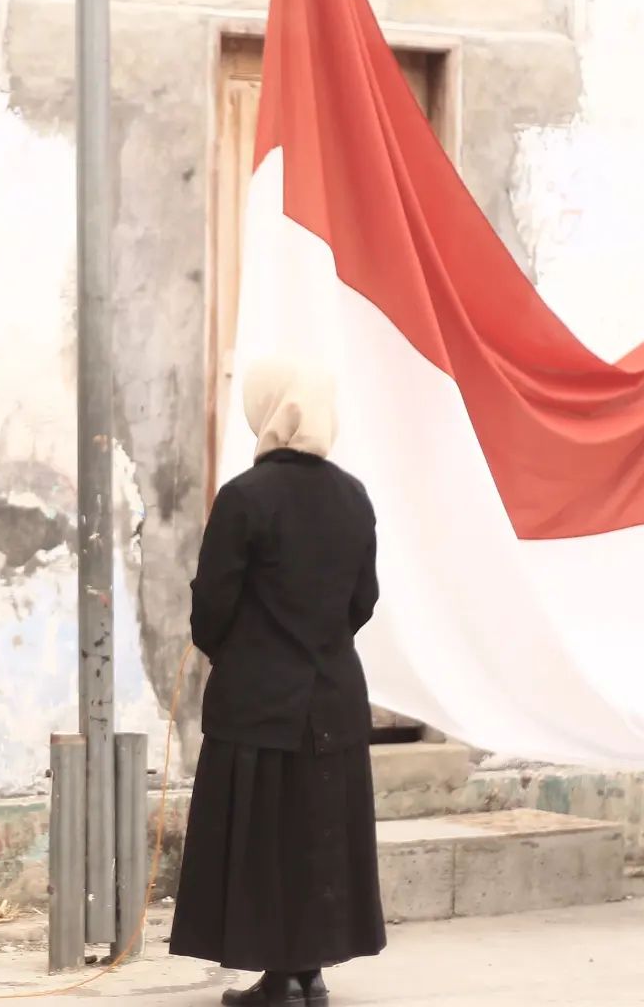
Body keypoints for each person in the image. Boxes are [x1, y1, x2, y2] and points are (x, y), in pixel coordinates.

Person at [169, 358, 386, 1005]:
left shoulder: (244, 498)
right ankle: (307, 972)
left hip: (260, 704)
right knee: (318, 835)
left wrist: (242, 652)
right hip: (334, 701)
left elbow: (212, 608)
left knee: (266, 841)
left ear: (266, 411)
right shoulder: (353, 497)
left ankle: (278, 979)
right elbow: (362, 601)